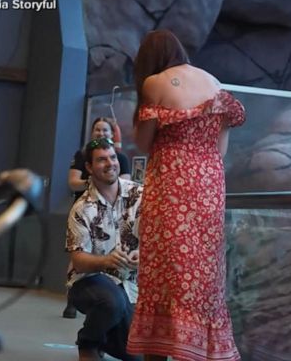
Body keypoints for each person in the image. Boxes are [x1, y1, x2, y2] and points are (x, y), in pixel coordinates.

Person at [126, 29, 246, 361]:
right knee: (203, 271)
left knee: (167, 268)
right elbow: (220, 149)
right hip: (209, 185)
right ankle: (200, 349)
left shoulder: (155, 82)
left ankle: (164, 347)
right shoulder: (215, 83)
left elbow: (144, 143)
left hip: (172, 183)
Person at [65, 137, 143, 361]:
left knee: (136, 356)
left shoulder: (141, 195)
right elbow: (78, 260)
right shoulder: (81, 208)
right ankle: (89, 342)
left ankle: (108, 338)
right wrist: (106, 261)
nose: (110, 163)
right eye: (101, 160)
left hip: (131, 284)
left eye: (112, 157)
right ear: (89, 168)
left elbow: (157, 235)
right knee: (111, 302)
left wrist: (144, 253)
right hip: (89, 281)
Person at [63, 117, 131, 319]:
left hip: (118, 217)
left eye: (106, 130)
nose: (102, 133)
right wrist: (96, 185)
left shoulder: (124, 164)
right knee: (82, 250)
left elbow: (122, 181)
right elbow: (73, 182)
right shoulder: (81, 156)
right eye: (98, 130)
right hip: (88, 215)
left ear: (112, 134)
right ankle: (73, 298)